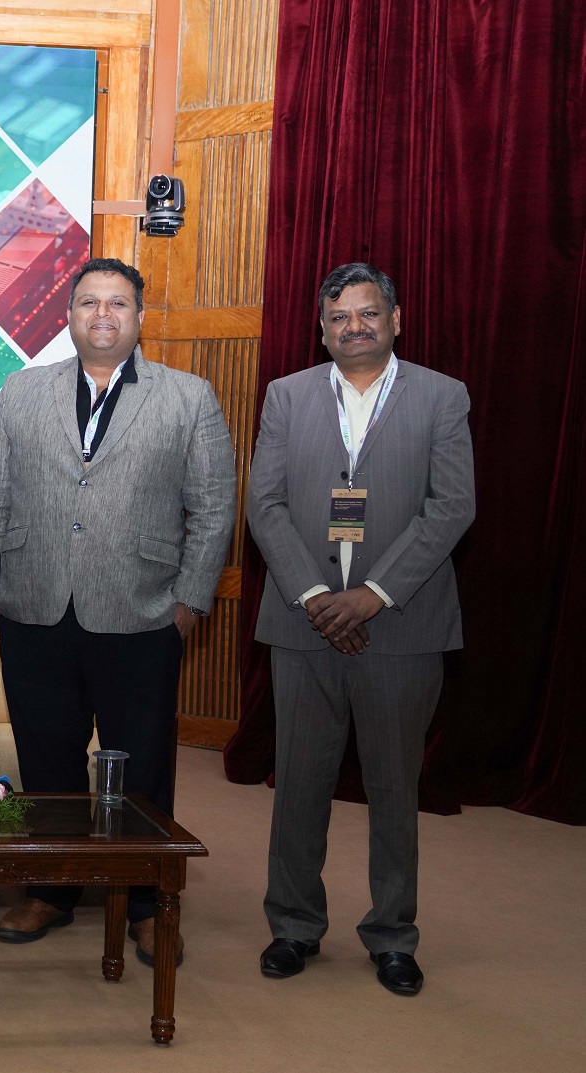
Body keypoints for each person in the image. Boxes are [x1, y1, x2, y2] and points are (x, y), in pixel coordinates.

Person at [0, 258, 236, 963]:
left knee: (144, 765)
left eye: (117, 303)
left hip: (144, 612)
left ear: (140, 316)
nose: (102, 314)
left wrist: (187, 603)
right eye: (88, 302)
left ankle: (148, 904)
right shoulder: (21, 391)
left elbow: (213, 511)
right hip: (35, 607)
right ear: (67, 315)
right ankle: (51, 889)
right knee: (48, 761)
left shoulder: (188, 397)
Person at [247, 263, 475, 995]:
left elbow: (452, 507)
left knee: (392, 786)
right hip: (302, 620)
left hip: (402, 625)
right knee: (300, 786)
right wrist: (318, 594)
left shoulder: (442, 396)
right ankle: (293, 925)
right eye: (340, 317)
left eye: (368, 314)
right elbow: (266, 504)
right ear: (322, 328)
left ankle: (392, 935)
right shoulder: (286, 395)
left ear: (396, 319)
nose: (355, 327)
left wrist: (372, 594)